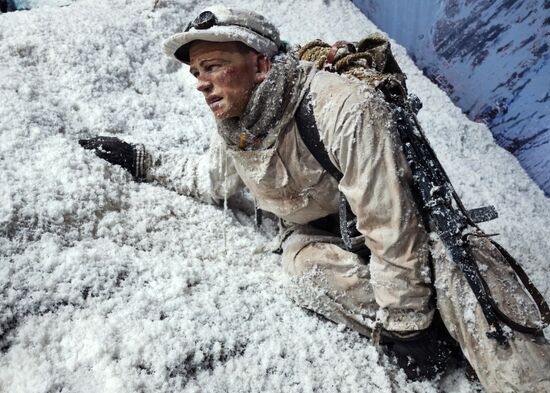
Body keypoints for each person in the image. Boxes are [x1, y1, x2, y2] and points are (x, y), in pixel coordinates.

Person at [79, 5, 550, 392]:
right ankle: (435, 326)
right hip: (325, 234)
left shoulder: (342, 108)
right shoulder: (236, 127)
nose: (202, 82)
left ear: (261, 64)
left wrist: (409, 325)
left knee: (472, 287)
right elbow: (212, 181)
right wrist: (141, 160)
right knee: (303, 271)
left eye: (215, 65)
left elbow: (391, 224)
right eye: (198, 71)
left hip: (410, 229)